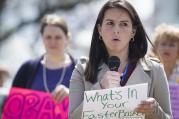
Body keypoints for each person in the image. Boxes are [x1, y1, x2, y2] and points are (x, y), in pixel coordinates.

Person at [69, 0, 172, 119]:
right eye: (110, 23)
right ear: (99, 30)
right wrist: (100, 89)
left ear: (133, 31)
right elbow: (73, 117)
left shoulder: (155, 70)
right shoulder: (82, 69)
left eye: (123, 24)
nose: (116, 30)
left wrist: (154, 111)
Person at [12, 14, 76, 103]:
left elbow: (93, 105)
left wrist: (72, 95)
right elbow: (13, 105)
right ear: (42, 38)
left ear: (67, 38)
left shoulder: (82, 69)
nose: (53, 42)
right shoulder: (27, 68)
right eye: (48, 37)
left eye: (58, 37)